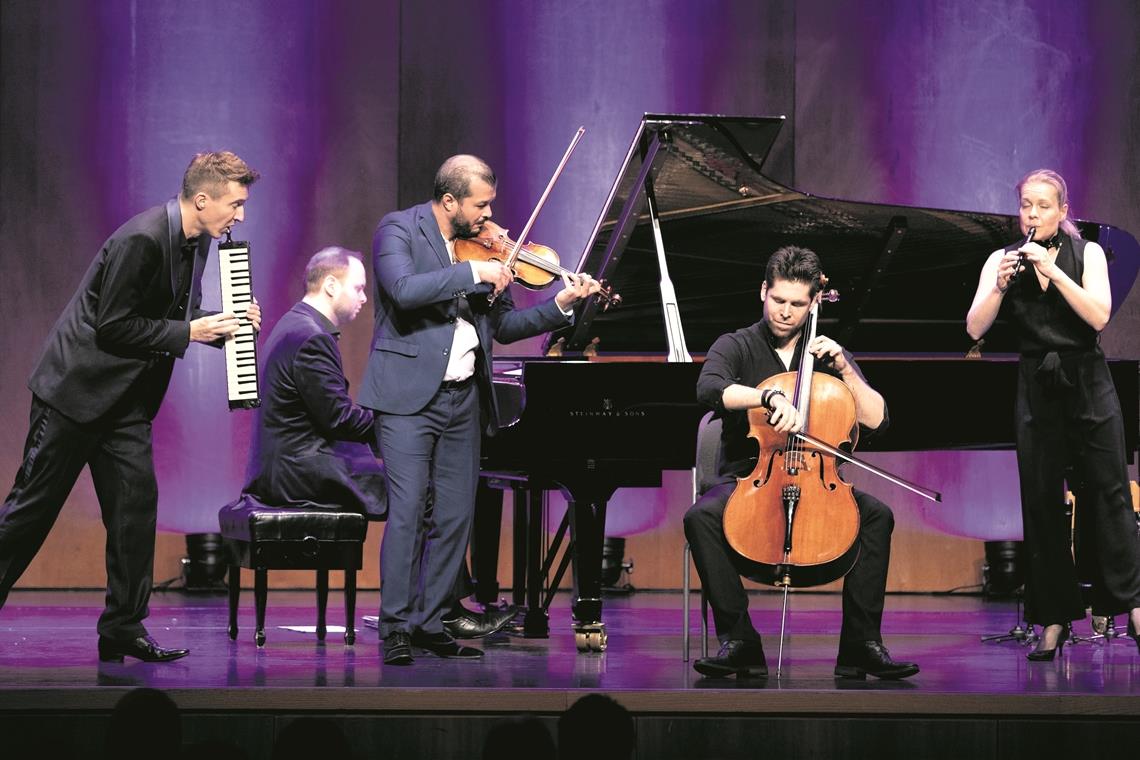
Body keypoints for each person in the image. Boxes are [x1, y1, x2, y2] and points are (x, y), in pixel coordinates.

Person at [0, 151, 260, 663]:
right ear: (202, 199)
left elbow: (160, 317)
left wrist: (220, 324)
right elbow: (113, 326)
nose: (240, 215)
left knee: (134, 512)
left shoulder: (198, 243)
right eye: (235, 203)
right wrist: (192, 330)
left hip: (124, 405)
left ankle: (122, 626)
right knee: (30, 513)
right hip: (75, 394)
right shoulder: (141, 239)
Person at [359, 154, 599, 665]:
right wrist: (473, 271)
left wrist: (560, 306)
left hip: (463, 398)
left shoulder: (489, 252)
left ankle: (430, 622)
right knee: (406, 513)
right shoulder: (398, 230)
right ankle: (396, 626)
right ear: (449, 201)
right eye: (480, 205)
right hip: (406, 398)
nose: (490, 217)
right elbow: (403, 292)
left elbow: (504, 328)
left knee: (454, 515)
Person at [684, 245, 919, 680]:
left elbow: (878, 419)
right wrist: (766, 395)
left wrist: (845, 370)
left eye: (797, 304)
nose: (786, 312)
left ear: (813, 303)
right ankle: (739, 641)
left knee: (877, 517)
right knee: (701, 517)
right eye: (778, 301)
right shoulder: (736, 344)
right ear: (763, 292)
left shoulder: (829, 356)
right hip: (749, 479)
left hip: (820, 482)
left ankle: (861, 646)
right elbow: (711, 388)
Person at [966, 169, 1140, 660]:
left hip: (1087, 380)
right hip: (1036, 387)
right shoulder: (1001, 259)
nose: (1033, 215)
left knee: (1108, 493)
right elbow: (973, 326)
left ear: (1063, 211)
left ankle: (1132, 605)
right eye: (1026, 205)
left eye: (1044, 206)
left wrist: (1055, 271)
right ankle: (1054, 619)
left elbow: (1099, 316)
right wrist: (998, 289)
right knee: (1041, 503)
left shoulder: (1088, 254)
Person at [242, 247, 384, 518]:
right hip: (298, 475)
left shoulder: (294, 323)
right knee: (418, 493)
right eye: (358, 288)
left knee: (412, 488)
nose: (364, 298)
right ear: (331, 285)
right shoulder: (311, 337)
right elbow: (339, 419)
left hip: (286, 468)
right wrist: (393, 425)